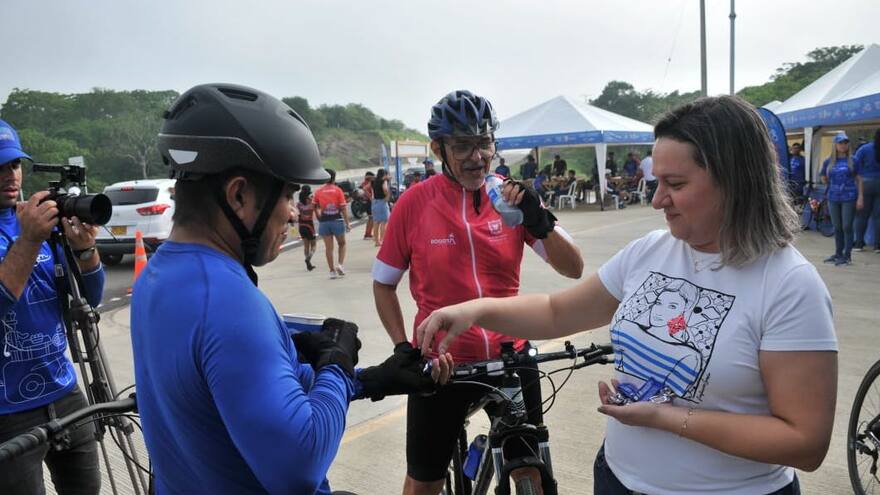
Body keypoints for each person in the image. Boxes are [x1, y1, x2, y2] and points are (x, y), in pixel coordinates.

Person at [418, 95, 838, 495]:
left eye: (675, 183)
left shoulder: (789, 286)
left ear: (735, 182)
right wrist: (473, 310)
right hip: (618, 478)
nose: (657, 200)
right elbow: (555, 312)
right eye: (657, 182)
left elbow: (803, 441)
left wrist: (667, 418)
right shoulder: (652, 250)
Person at [132, 83, 451, 495]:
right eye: (287, 194)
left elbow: (254, 391)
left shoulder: (158, 276)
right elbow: (299, 464)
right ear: (240, 194)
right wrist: (335, 365)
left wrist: (369, 380)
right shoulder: (229, 302)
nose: (291, 211)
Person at [372, 90, 584, 495]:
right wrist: (404, 349)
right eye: (462, 146)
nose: (477, 157)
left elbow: (572, 268)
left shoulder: (511, 199)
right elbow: (384, 284)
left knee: (533, 467)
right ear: (438, 149)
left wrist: (539, 222)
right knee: (424, 482)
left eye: (484, 143)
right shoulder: (415, 204)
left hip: (510, 356)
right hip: (443, 363)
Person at [0, 118, 105, 494]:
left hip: (64, 391)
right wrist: (28, 240)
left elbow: (89, 298)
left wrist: (85, 250)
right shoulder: (32, 228)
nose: (10, 175)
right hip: (7, 412)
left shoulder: (36, 219)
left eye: (14, 164)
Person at [820, 132, 858, 266]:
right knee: (837, 227)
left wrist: (861, 197)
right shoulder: (828, 161)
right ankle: (838, 253)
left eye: (845, 143)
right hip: (833, 197)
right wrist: (825, 179)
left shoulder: (853, 160)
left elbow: (860, 179)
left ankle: (847, 256)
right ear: (835, 145)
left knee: (847, 226)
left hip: (849, 197)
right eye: (840, 143)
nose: (843, 145)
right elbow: (823, 176)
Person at [314, 168, 351, 279]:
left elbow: (314, 206)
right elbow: (343, 208)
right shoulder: (338, 190)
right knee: (342, 244)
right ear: (334, 178)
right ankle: (340, 265)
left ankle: (331, 271)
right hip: (337, 221)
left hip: (324, 222)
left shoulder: (318, 191)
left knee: (329, 248)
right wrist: (347, 223)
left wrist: (318, 216)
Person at [853, 129, 880, 253]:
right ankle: (877, 246)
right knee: (878, 217)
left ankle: (859, 244)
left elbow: (854, 163)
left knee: (861, 216)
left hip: (866, 183)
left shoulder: (865, 148)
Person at [296, 185, 318, 271]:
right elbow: (316, 206)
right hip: (309, 225)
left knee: (306, 246)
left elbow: (298, 212)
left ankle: (308, 264)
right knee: (314, 245)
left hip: (301, 225)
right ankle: (308, 258)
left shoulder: (299, 203)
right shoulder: (311, 201)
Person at [371, 168, 391, 247]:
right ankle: (382, 240)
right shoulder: (384, 181)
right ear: (385, 175)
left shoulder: (374, 181)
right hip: (382, 202)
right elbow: (385, 189)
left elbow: (367, 188)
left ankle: (376, 241)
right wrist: (387, 196)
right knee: (384, 222)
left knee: (376, 222)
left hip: (374, 202)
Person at [361, 171, 375, 241]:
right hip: (369, 202)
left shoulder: (364, 182)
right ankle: (367, 234)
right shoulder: (368, 183)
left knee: (370, 218)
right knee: (371, 218)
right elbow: (367, 192)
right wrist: (370, 197)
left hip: (366, 202)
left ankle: (368, 233)